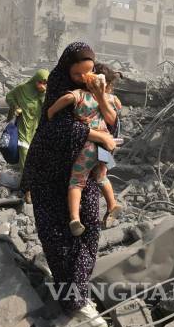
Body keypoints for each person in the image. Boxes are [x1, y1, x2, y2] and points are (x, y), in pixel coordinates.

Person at [21, 42, 117, 327]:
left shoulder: (98, 90)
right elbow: (54, 127)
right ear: (67, 70)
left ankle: (78, 294)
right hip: (51, 177)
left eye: (89, 71)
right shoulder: (59, 88)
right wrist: (96, 135)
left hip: (83, 173)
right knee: (59, 239)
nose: (84, 78)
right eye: (78, 74)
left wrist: (100, 97)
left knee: (89, 231)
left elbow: (113, 126)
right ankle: (75, 302)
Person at [47, 63, 124, 236]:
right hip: (106, 146)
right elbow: (117, 107)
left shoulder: (79, 95)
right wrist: (107, 95)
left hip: (88, 146)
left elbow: (62, 103)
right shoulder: (110, 98)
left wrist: (50, 112)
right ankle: (112, 204)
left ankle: (74, 218)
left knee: (77, 182)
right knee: (102, 177)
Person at [5, 69, 49, 202]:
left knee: (37, 159)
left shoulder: (45, 93)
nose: (42, 85)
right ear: (35, 80)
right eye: (40, 82)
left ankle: (33, 185)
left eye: (45, 83)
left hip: (37, 131)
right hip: (23, 130)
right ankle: (28, 191)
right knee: (25, 160)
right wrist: (15, 106)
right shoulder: (22, 89)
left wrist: (43, 93)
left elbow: (47, 107)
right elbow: (9, 96)